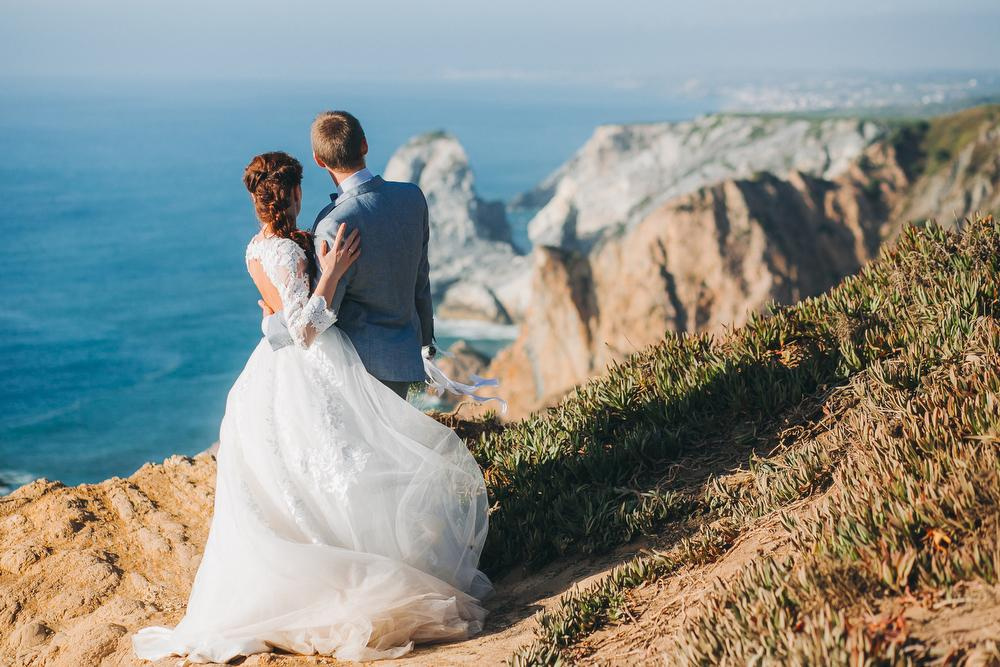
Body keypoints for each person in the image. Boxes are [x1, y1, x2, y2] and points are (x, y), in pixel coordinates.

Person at [132, 145, 491, 663]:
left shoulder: (259, 246)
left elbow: (278, 317)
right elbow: (302, 328)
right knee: (343, 465)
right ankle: (353, 569)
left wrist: (271, 318)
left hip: (277, 371)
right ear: (295, 192)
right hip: (312, 367)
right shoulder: (285, 250)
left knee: (314, 473)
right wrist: (332, 273)